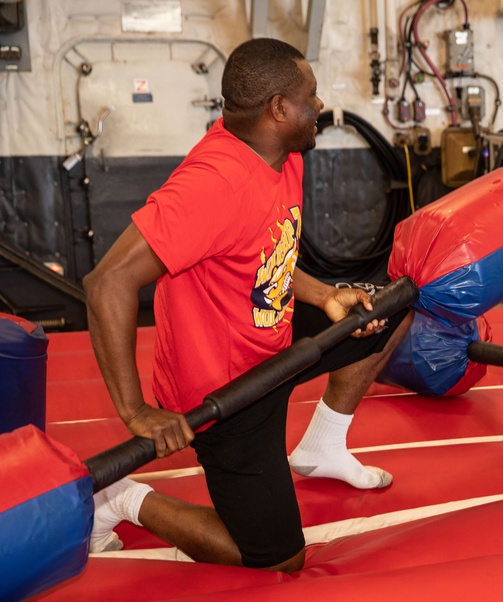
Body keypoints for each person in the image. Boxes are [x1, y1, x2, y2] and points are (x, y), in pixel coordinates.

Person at [82, 37, 413, 573]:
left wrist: (326, 294)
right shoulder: (213, 183)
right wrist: (135, 411)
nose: (320, 106)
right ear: (279, 109)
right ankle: (123, 500)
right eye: (311, 96)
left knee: (384, 311)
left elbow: (268, 257)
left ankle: (322, 446)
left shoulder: (282, 155)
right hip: (226, 387)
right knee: (276, 559)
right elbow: (107, 283)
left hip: (268, 334)